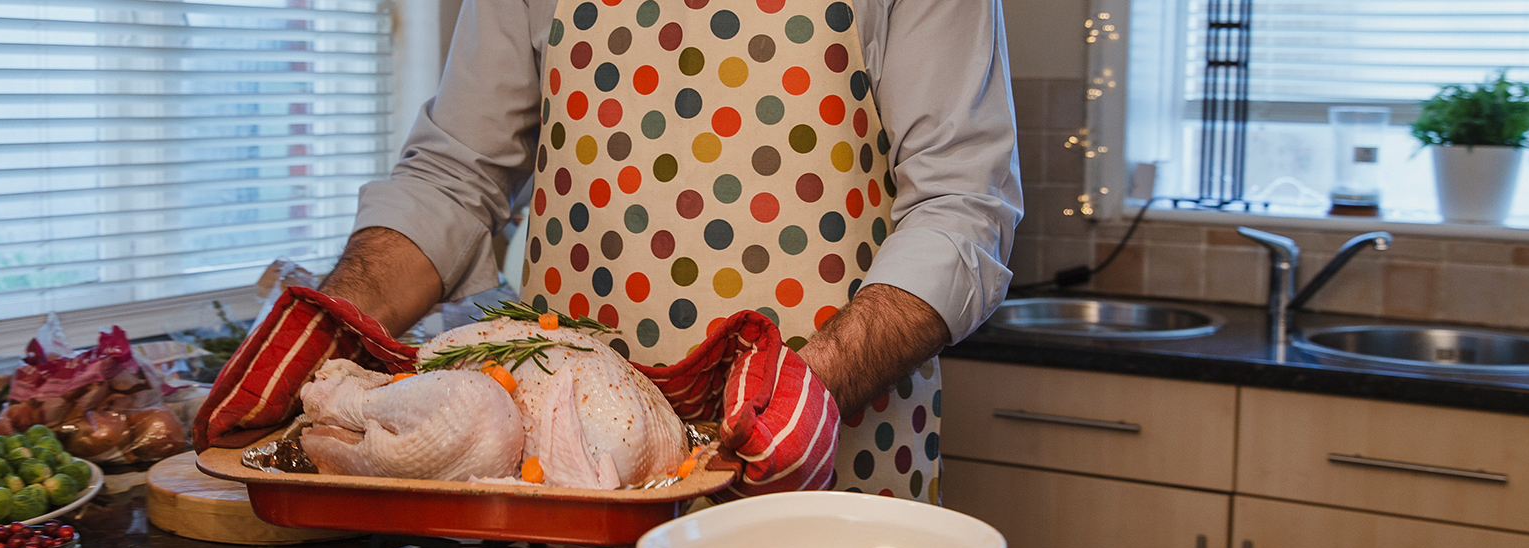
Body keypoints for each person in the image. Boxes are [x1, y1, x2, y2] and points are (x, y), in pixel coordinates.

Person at [318, 0, 1021, 503]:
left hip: (825, 461)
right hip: (566, 485)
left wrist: (811, 389)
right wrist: (322, 331)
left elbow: (961, 206)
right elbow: (453, 176)